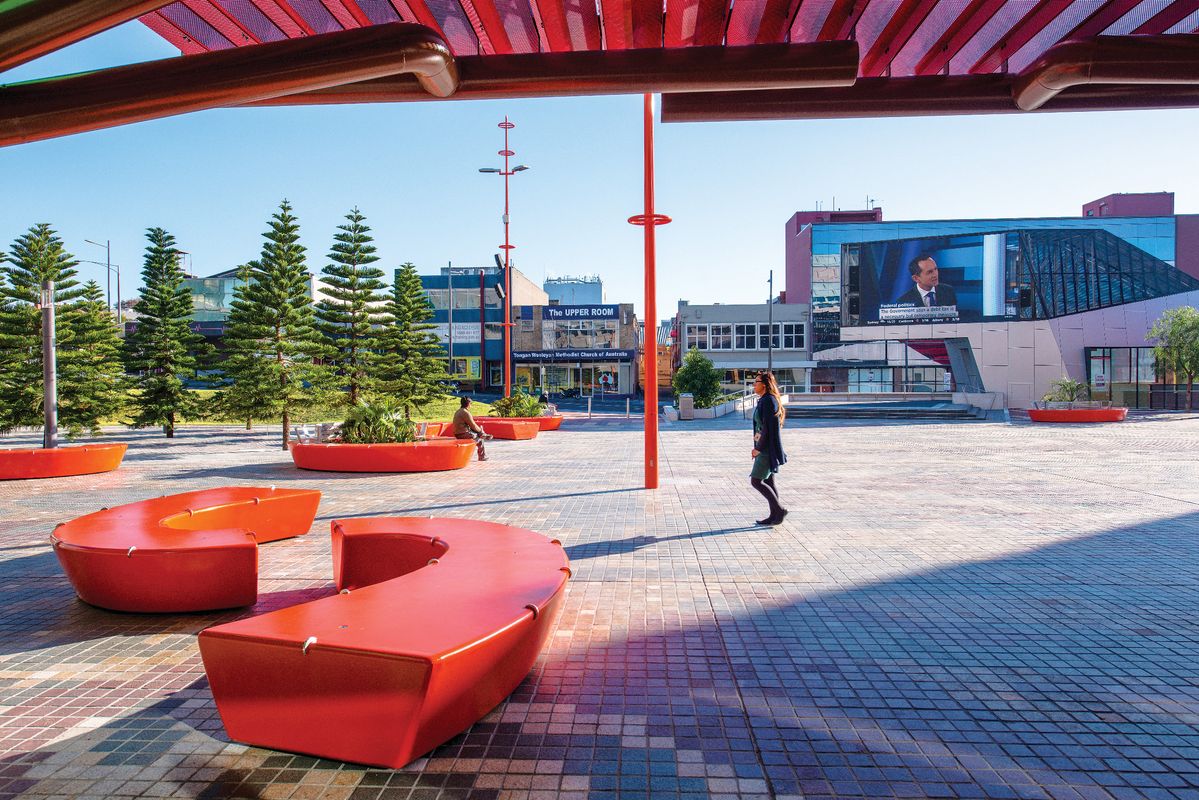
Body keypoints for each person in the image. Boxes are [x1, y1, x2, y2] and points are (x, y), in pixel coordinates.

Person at [750, 370, 788, 526]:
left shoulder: (768, 401)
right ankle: (775, 516)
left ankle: (779, 510)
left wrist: (758, 448)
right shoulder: (766, 399)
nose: (754, 385)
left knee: (756, 481)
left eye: (756, 382)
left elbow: (767, 428)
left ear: (764, 385)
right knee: (769, 481)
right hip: (765, 447)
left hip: (766, 449)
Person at [451, 397, 491, 461]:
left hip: (458, 433)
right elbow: (473, 425)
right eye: (470, 403)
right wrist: (481, 431)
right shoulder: (465, 412)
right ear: (468, 403)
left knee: (479, 433)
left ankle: (484, 434)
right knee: (480, 439)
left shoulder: (459, 411)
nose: (471, 405)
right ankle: (482, 456)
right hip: (463, 434)